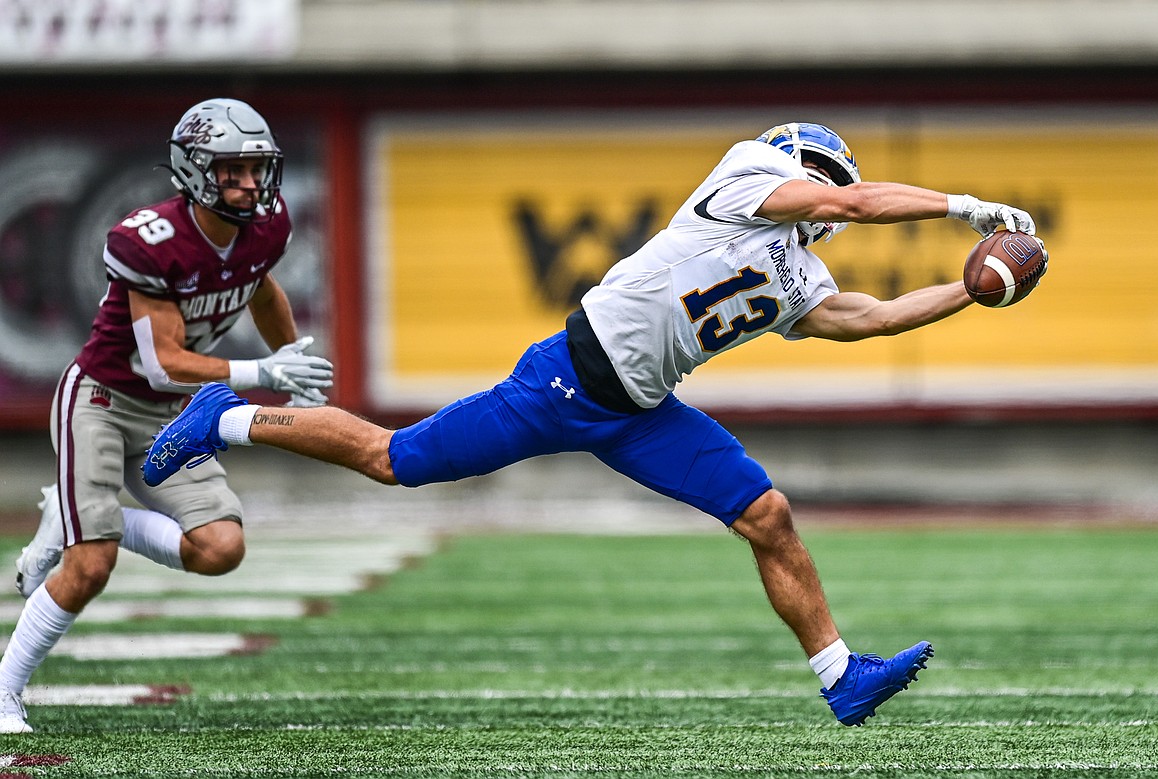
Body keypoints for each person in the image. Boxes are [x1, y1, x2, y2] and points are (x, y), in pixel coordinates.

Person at [141, 122, 1042, 726]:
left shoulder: (801, 276)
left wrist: (968, 292)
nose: (831, 195)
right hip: (565, 378)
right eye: (826, 180)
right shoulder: (747, 174)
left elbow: (872, 318)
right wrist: (962, 206)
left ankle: (841, 675)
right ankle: (230, 417)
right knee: (396, 457)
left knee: (767, 514)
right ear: (801, 163)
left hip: (642, 412)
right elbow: (848, 205)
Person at [0, 98, 334, 733]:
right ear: (194, 170)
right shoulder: (148, 240)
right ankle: (4, 690)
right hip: (101, 400)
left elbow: (259, 285)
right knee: (89, 565)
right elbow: (161, 363)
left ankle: (78, 514)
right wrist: (260, 375)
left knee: (220, 547)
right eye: (231, 169)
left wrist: (290, 357)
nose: (249, 182)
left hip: (171, 411)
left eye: (256, 167)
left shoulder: (266, 225)